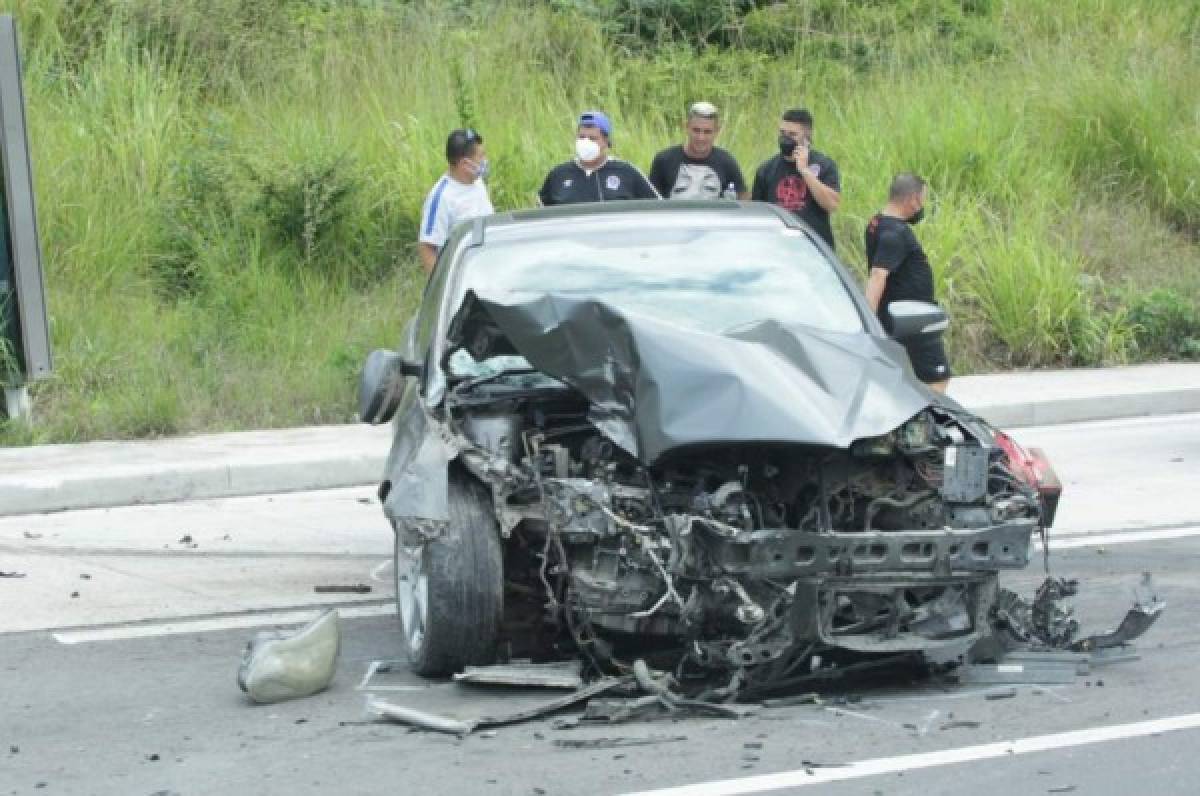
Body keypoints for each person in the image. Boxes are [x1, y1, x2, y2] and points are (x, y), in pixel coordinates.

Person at [864, 173, 951, 392]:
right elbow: (877, 276)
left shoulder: (877, 222)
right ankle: (927, 424)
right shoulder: (894, 233)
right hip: (912, 321)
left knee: (905, 380)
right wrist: (868, 323)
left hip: (900, 315)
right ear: (912, 199)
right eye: (922, 199)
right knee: (936, 379)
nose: (921, 206)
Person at [751, 108, 841, 249]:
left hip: (815, 247)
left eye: (792, 134)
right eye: (782, 133)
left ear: (807, 136)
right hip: (778, 247)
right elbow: (757, 214)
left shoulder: (824, 165)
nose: (786, 139)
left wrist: (805, 171)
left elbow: (832, 204)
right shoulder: (766, 169)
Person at [539, 111, 659, 205]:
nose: (585, 142)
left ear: (606, 142)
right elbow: (542, 214)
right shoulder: (558, 174)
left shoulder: (627, 172)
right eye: (581, 137)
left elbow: (656, 207)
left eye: (592, 138)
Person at [418, 128, 494, 275]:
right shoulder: (441, 198)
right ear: (465, 164)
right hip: (463, 277)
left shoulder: (477, 181)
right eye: (481, 156)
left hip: (487, 268)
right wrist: (443, 288)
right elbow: (426, 248)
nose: (485, 160)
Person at [648, 101, 747, 200]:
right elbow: (650, 202)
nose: (701, 138)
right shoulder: (664, 161)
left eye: (707, 132)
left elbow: (744, 203)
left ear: (717, 131)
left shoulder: (727, 163)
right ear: (686, 127)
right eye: (696, 130)